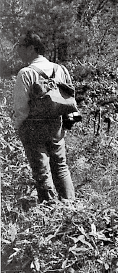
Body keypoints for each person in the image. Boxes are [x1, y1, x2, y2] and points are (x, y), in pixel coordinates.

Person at [13, 31, 75, 203]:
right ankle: (69, 206)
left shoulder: (25, 73)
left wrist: (19, 127)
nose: (19, 51)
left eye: (21, 47)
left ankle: (48, 210)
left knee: (42, 171)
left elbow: (20, 108)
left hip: (33, 126)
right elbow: (69, 96)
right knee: (61, 167)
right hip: (56, 125)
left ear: (32, 48)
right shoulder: (60, 69)